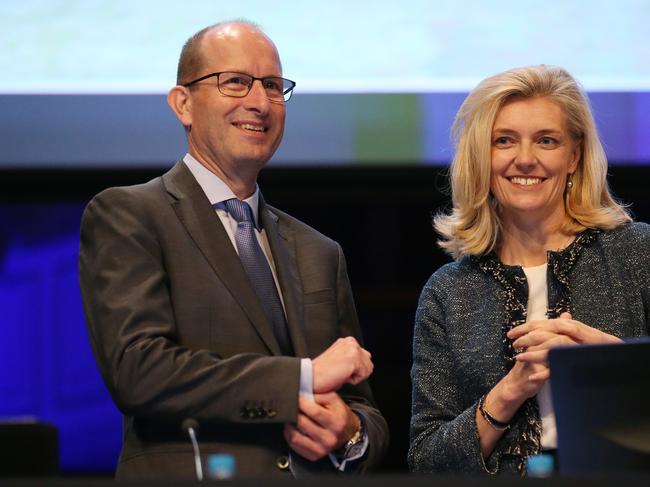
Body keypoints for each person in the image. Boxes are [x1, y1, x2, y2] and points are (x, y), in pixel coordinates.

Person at [79, 20, 388, 479]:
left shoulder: (319, 250)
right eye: (236, 82)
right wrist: (301, 379)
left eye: (272, 86)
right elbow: (140, 370)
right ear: (183, 103)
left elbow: (364, 409)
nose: (260, 102)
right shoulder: (129, 215)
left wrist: (351, 434)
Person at [408, 65, 650, 475]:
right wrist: (510, 391)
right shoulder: (449, 291)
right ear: (482, 158)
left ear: (574, 156)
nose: (525, 159)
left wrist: (613, 365)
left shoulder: (636, 251)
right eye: (504, 141)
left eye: (546, 140)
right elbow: (427, 461)